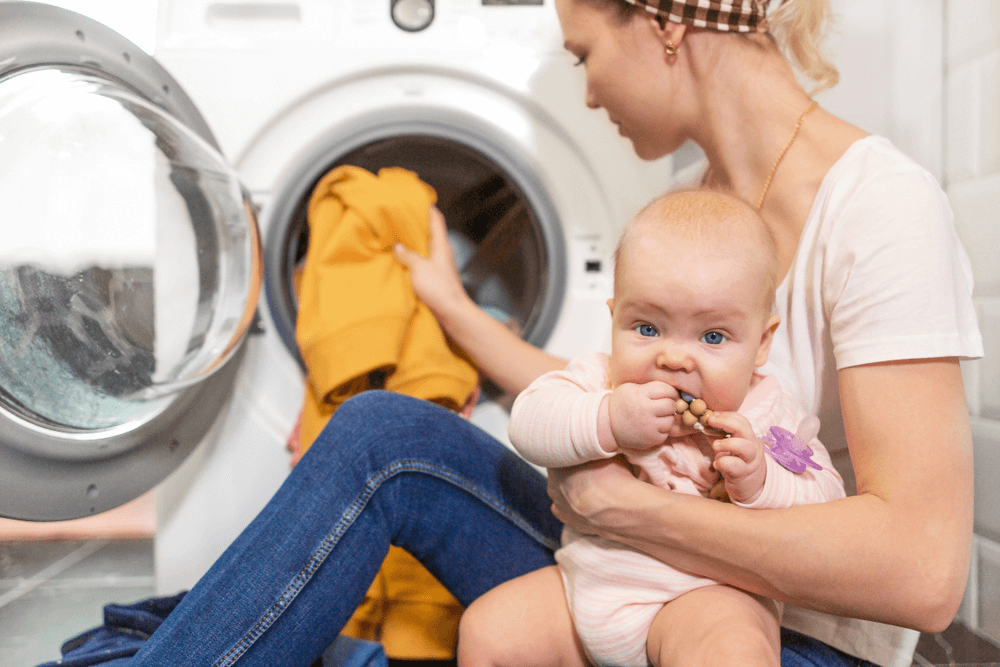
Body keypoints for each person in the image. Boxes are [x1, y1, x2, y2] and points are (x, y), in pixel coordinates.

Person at [43, 0, 981, 665]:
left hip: (772, 632)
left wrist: (640, 512)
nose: (586, 94)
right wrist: (451, 306)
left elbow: (925, 571)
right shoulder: (687, 204)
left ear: (662, 24)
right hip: (620, 573)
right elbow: (591, 392)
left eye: (582, 53)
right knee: (381, 431)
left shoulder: (877, 206)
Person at [457, 188, 846, 667]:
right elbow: (530, 420)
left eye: (712, 336)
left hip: (701, 598)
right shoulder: (601, 380)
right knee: (487, 630)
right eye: (646, 328)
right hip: (588, 587)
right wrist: (609, 420)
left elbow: (828, 497)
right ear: (614, 317)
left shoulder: (768, 415)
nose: (674, 357)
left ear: (762, 343)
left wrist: (764, 480)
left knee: (731, 652)